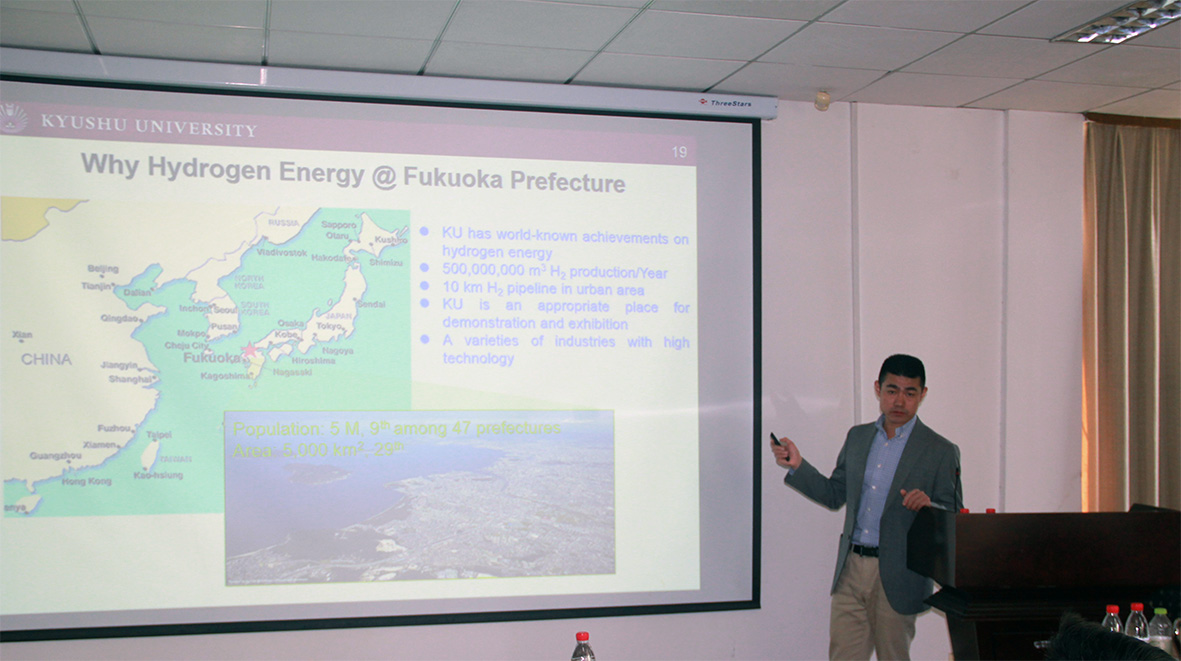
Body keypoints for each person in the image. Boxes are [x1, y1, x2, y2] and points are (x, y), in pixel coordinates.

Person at [771, 354, 961, 661]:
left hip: (899, 575)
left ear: (922, 394)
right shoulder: (858, 438)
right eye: (892, 390)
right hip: (851, 568)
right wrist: (798, 466)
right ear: (878, 389)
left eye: (910, 392)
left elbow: (954, 517)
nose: (899, 401)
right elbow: (834, 494)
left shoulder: (940, 451)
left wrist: (930, 506)